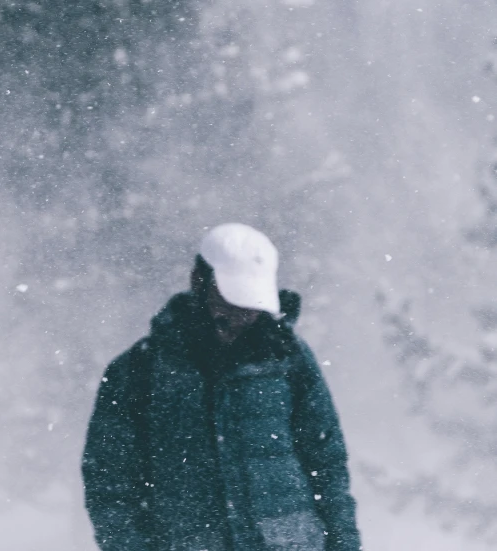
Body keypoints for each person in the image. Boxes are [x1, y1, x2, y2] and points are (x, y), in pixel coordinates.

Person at [82, 223, 362, 551]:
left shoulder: (288, 358)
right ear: (199, 281)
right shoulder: (137, 371)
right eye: (232, 299)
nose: (243, 313)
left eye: (252, 301)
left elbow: (327, 462)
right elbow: (109, 485)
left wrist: (344, 543)